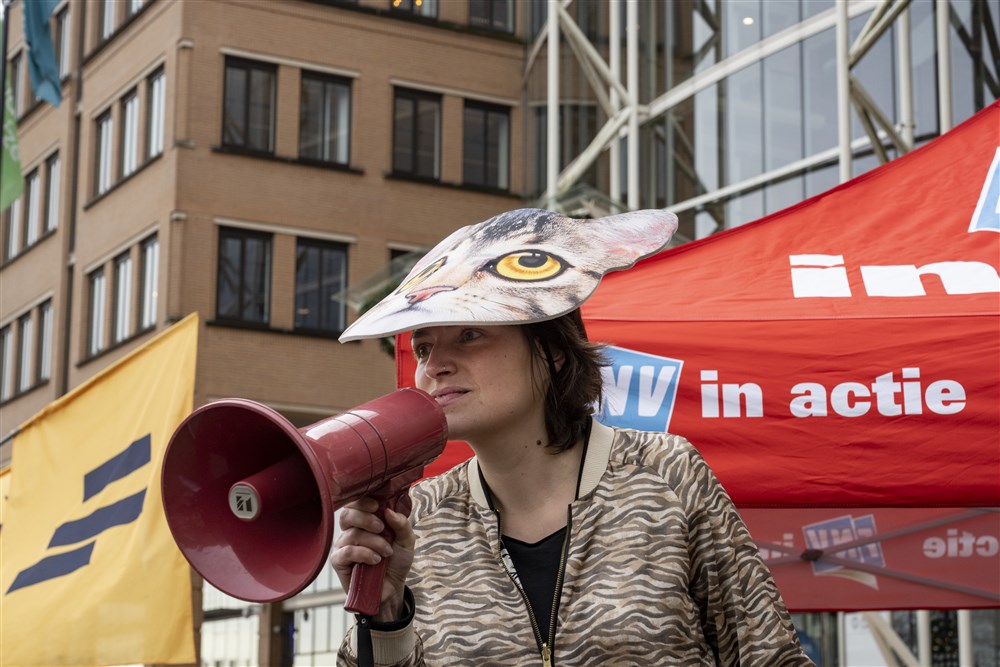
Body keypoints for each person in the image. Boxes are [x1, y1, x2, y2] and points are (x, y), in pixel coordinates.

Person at [332, 207, 814, 666]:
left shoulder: (665, 471)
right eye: (423, 347)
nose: (434, 365)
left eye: (470, 335)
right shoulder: (419, 519)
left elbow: (768, 655)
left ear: (552, 352)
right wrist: (386, 614)